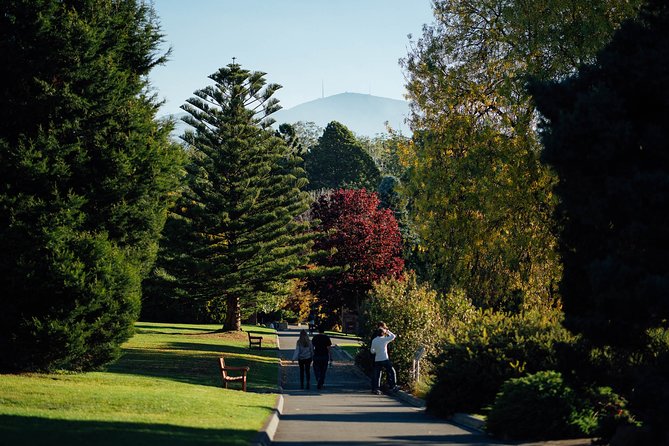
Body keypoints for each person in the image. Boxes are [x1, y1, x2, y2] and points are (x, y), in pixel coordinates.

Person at [370, 325, 398, 395]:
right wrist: (387, 331)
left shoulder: (374, 340)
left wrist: (376, 351)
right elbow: (393, 336)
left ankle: (376, 388)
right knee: (391, 371)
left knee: (377, 375)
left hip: (377, 359)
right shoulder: (384, 339)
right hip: (385, 359)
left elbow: (372, 351)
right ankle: (393, 385)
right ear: (383, 333)